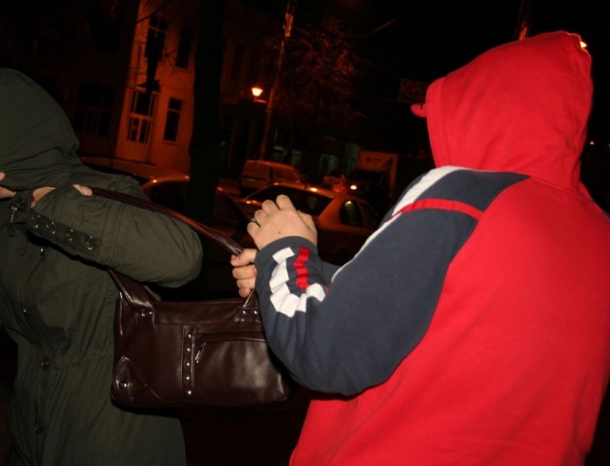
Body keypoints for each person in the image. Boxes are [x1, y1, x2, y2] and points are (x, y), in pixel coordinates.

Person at [231, 31, 610, 464]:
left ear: (484, 110)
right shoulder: (598, 233)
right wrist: (303, 276)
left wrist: (285, 249)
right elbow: (459, 314)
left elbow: (326, 352)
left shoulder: (459, 196)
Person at [0, 68, 203, 465]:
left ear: (3, 149)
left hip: (114, 446)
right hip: (33, 441)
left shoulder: (106, 192)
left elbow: (183, 258)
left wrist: (54, 206)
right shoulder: (2, 215)